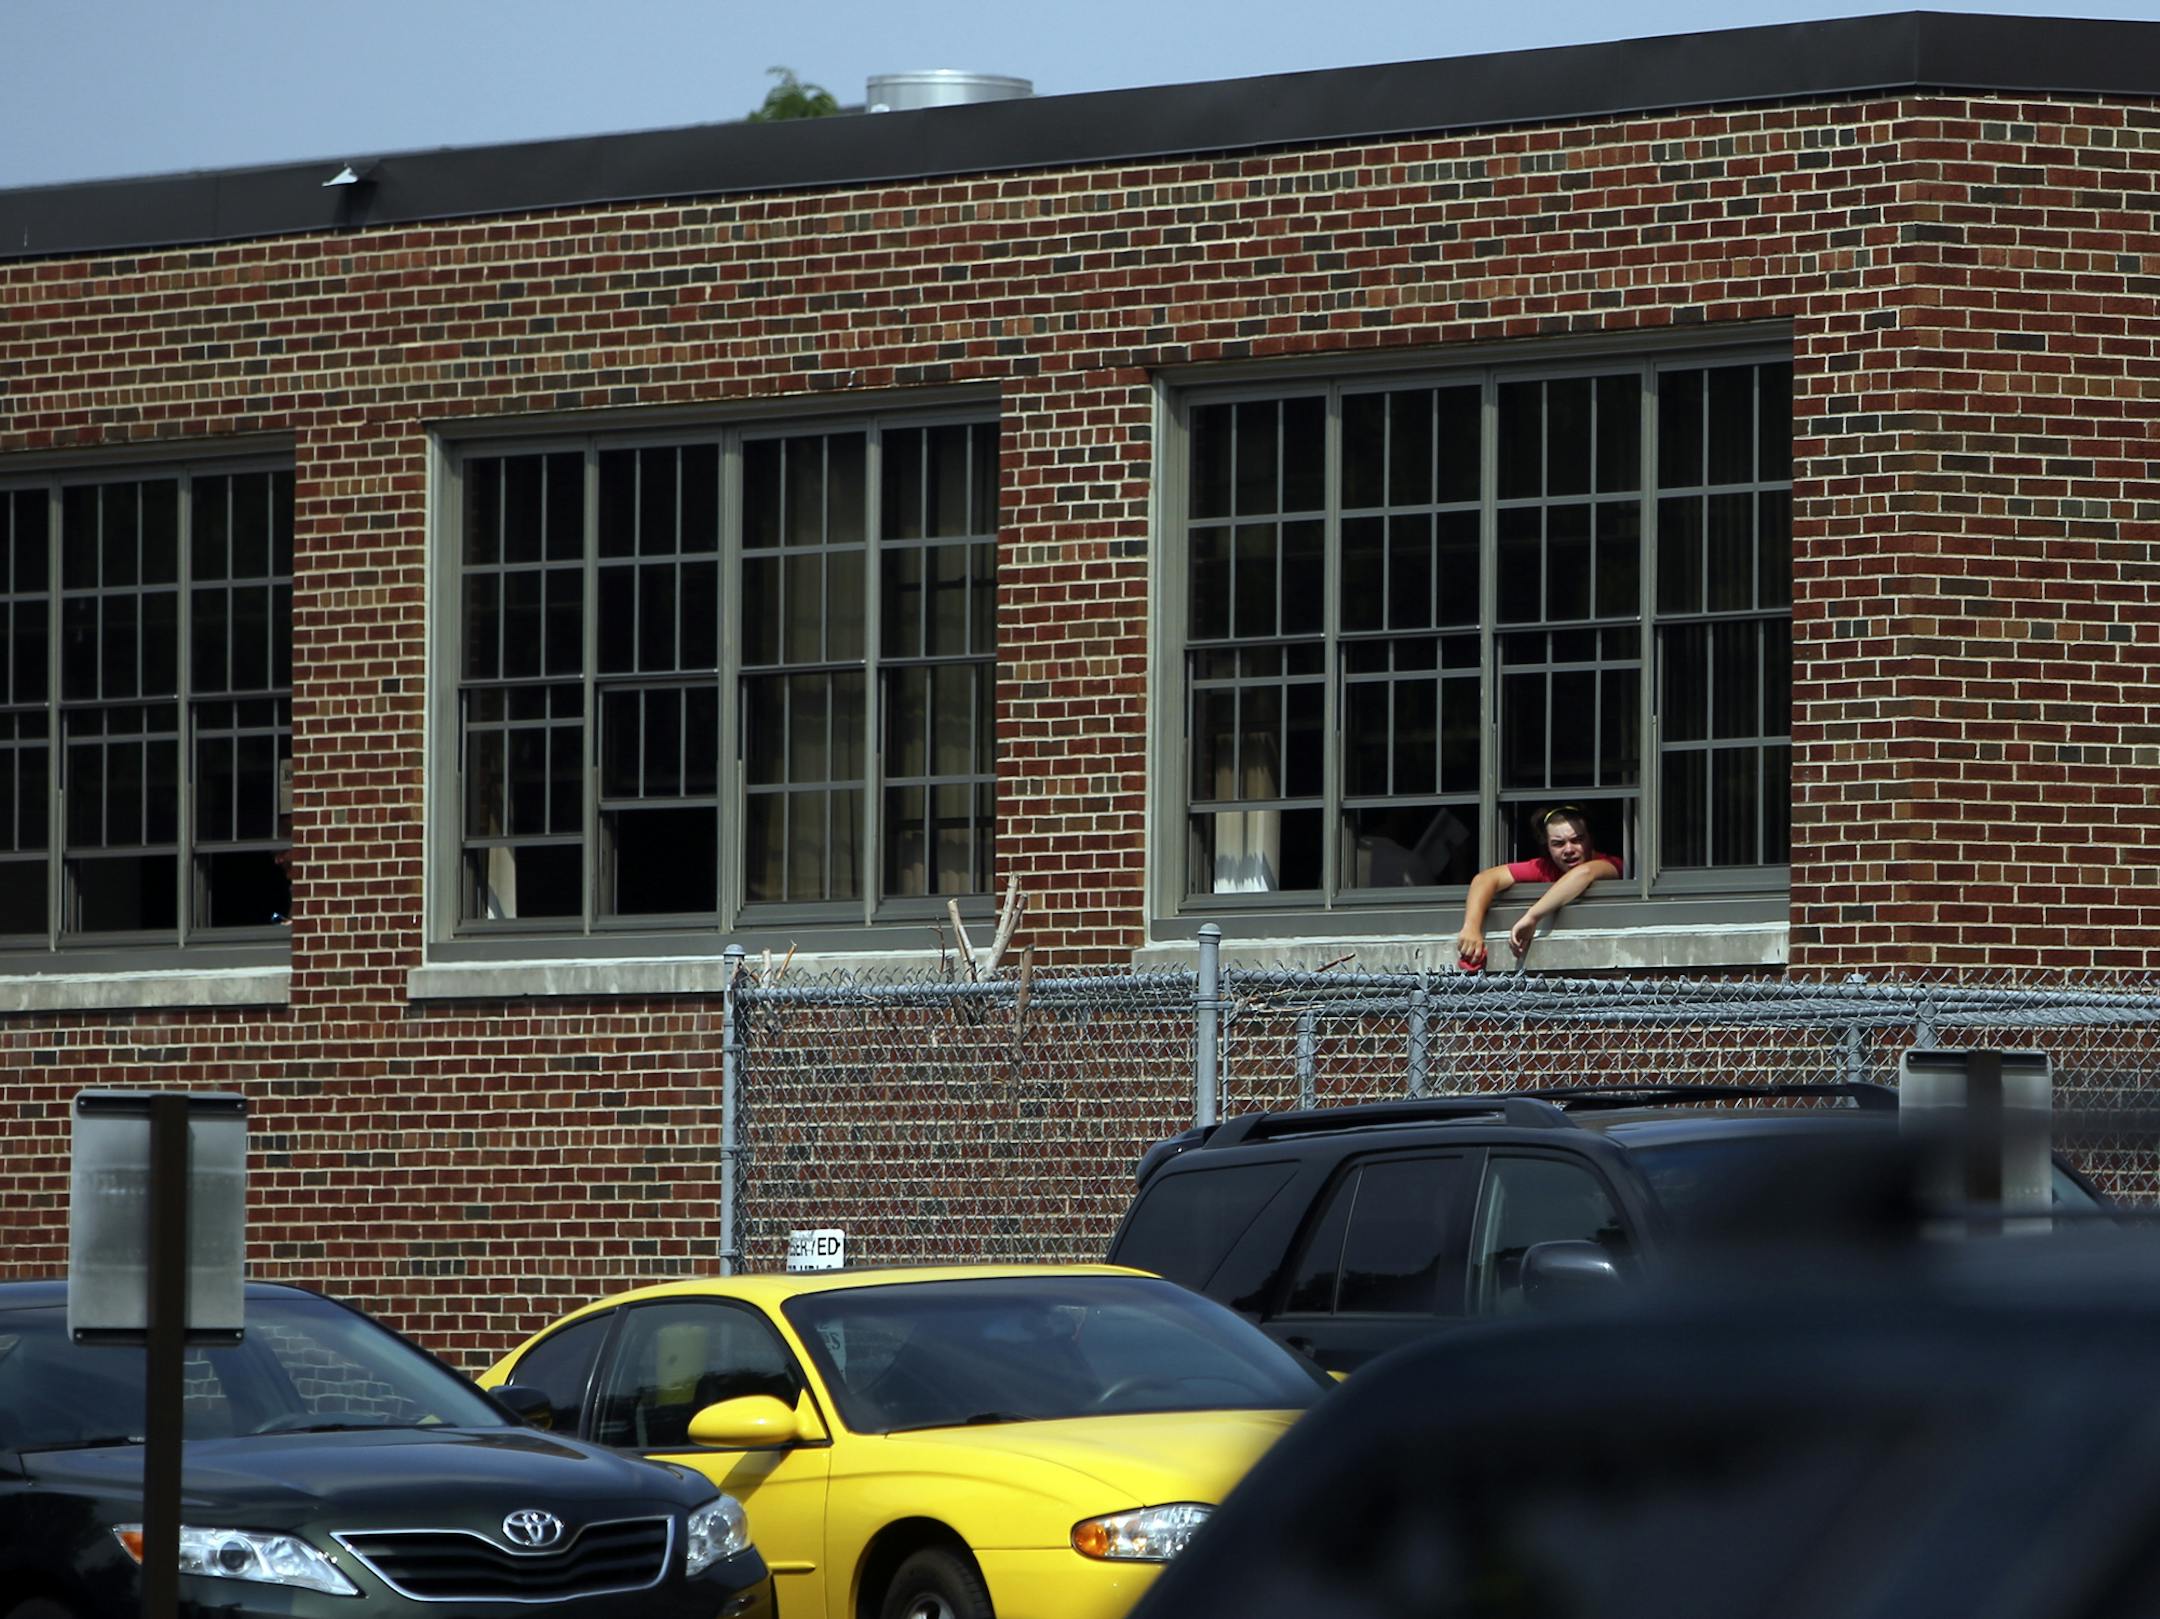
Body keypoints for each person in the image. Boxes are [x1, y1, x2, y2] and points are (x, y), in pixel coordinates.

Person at [1454, 805, 1622, 970]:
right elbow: (1485, 879)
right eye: (1558, 844)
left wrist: (1532, 917)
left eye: (1577, 840)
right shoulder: (1544, 867)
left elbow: (1584, 873)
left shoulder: (1610, 864)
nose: (1569, 849)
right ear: (1547, 846)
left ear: (1590, 839)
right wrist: (1471, 928)